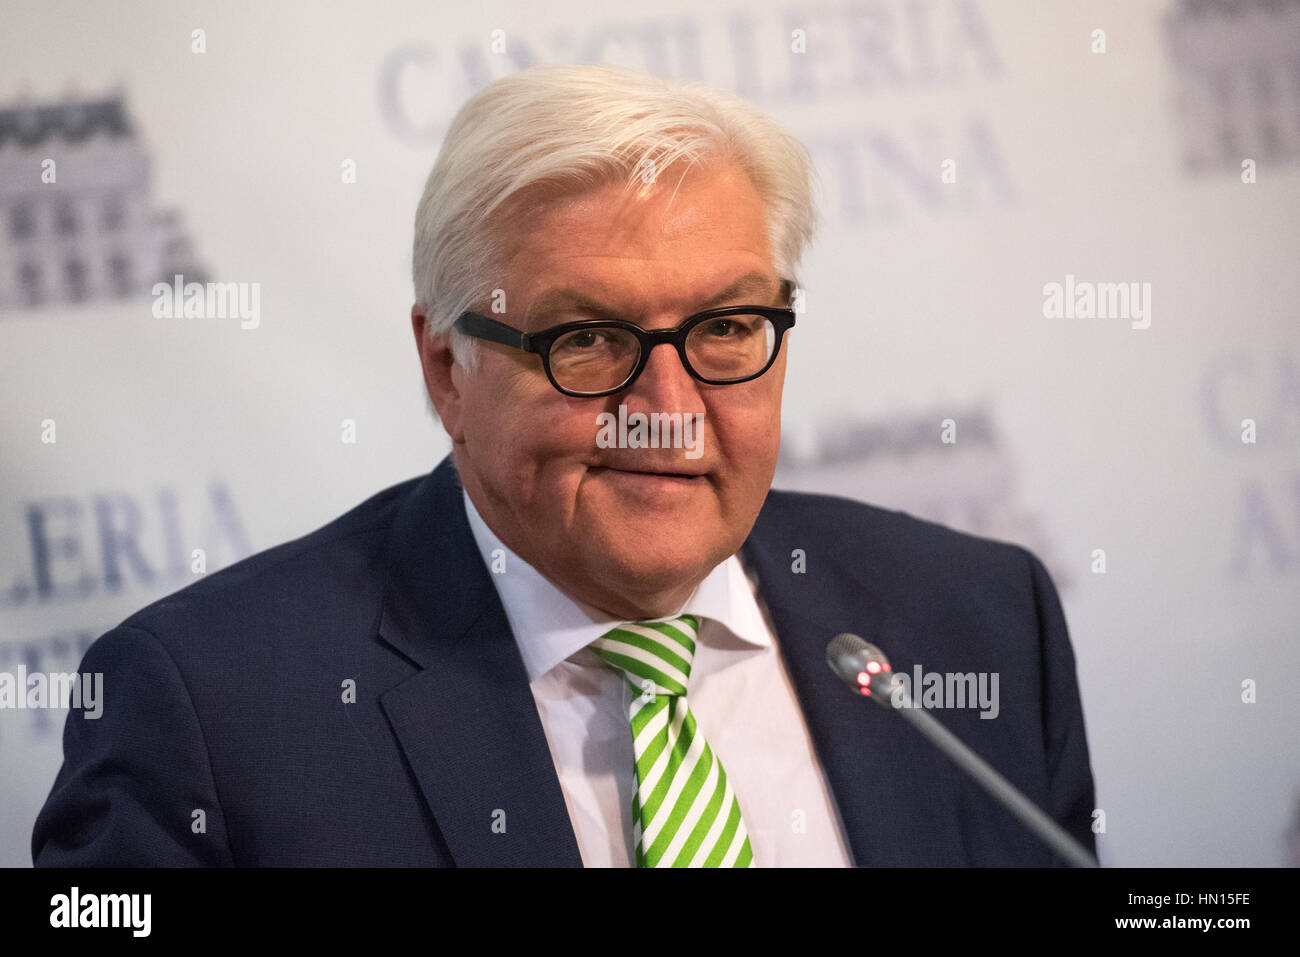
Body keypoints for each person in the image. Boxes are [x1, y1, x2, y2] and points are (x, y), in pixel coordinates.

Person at [32, 63, 1096, 867]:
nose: (668, 412)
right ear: (446, 368)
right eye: (587, 340)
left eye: (726, 327)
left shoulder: (978, 621)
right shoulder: (209, 716)